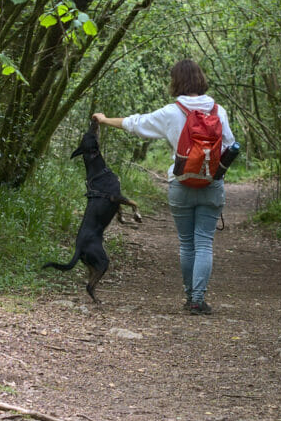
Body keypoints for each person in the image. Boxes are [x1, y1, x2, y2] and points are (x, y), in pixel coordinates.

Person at [92, 59, 235, 315]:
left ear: (176, 82)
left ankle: (189, 295)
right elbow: (229, 145)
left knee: (186, 243)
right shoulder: (218, 110)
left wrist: (104, 120)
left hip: (180, 184)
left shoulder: (172, 111)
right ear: (201, 79)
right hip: (212, 184)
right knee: (203, 243)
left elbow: (136, 123)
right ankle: (198, 300)